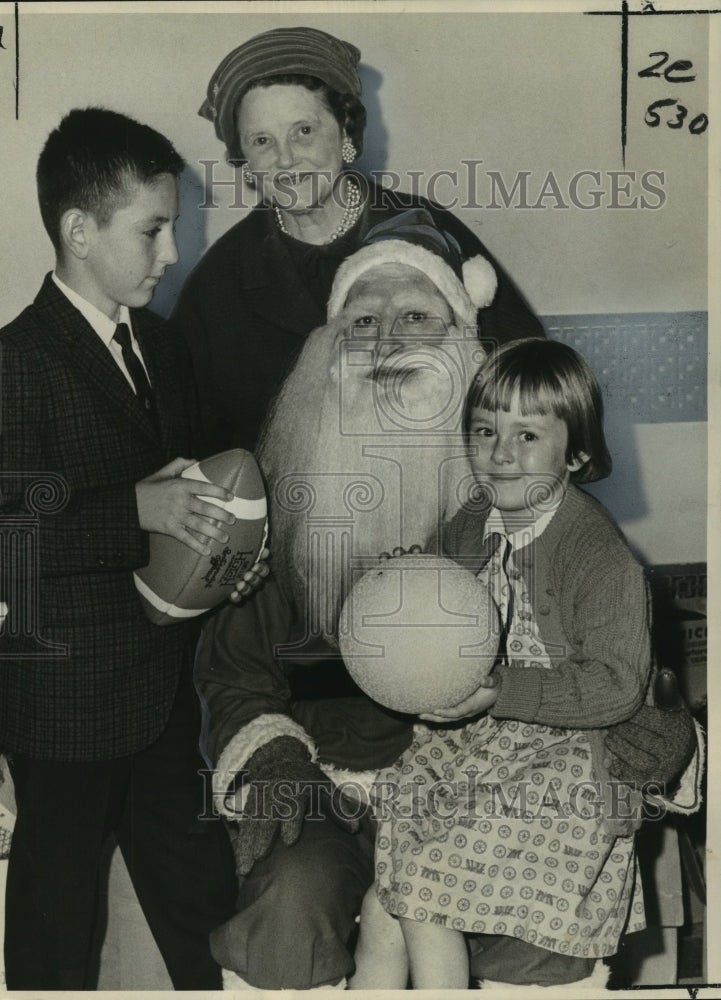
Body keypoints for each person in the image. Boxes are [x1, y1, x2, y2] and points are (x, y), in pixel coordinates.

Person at [194, 227, 697, 990]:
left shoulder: (534, 509)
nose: (386, 341)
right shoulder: (278, 503)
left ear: (467, 347)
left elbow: (623, 669)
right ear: (324, 353)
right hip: (329, 789)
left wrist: (659, 738)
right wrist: (269, 758)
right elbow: (232, 672)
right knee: (286, 916)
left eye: (415, 318)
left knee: (541, 941)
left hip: (502, 795)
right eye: (361, 321)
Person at [0, 107, 258, 990]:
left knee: (208, 916)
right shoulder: (13, 363)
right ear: (79, 231)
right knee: (57, 937)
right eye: (153, 231)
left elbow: (197, 493)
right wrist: (135, 508)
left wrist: (233, 551)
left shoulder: (161, 344)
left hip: (163, 696)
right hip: (65, 709)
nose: (170, 255)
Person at [351, 339, 656, 989]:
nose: (500, 453)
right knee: (383, 903)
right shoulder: (468, 522)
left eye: (527, 435)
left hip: (564, 766)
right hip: (474, 745)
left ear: (575, 453)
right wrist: (403, 593)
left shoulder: (598, 555)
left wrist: (500, 691)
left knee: (420, 895)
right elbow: (433, 615)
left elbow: (617, 686)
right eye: (485, 430)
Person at [172, 25, 544, 455]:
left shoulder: (427, 230)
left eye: (304, 131)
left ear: (345, 133)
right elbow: (191, 439)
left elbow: (529, 379)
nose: (286, 158)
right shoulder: (221, 281)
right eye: (261, 141)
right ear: (245, 161)